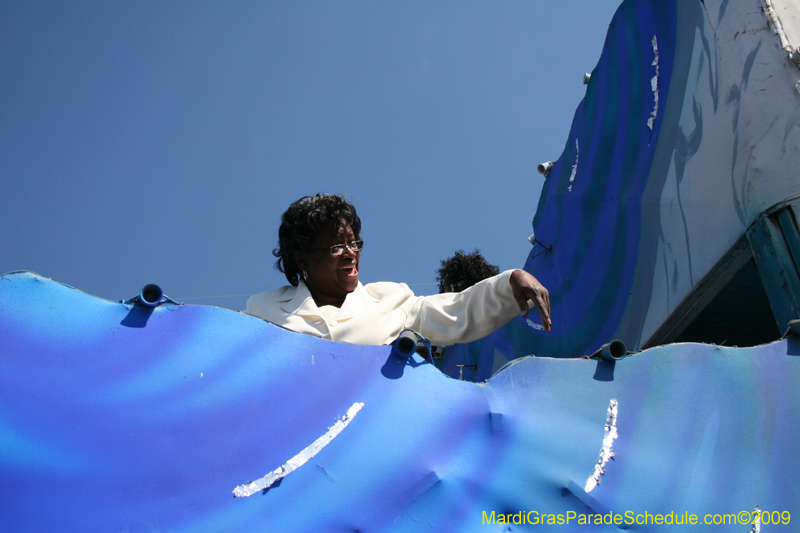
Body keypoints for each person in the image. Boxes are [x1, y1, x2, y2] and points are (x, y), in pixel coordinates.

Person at [245, 194, 551, 346]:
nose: (351, 253)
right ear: (301, 260)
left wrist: (510, 281)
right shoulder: (263, 311)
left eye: (355, 243)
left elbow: (457, 311)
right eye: (336, 247)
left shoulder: (390, 300)